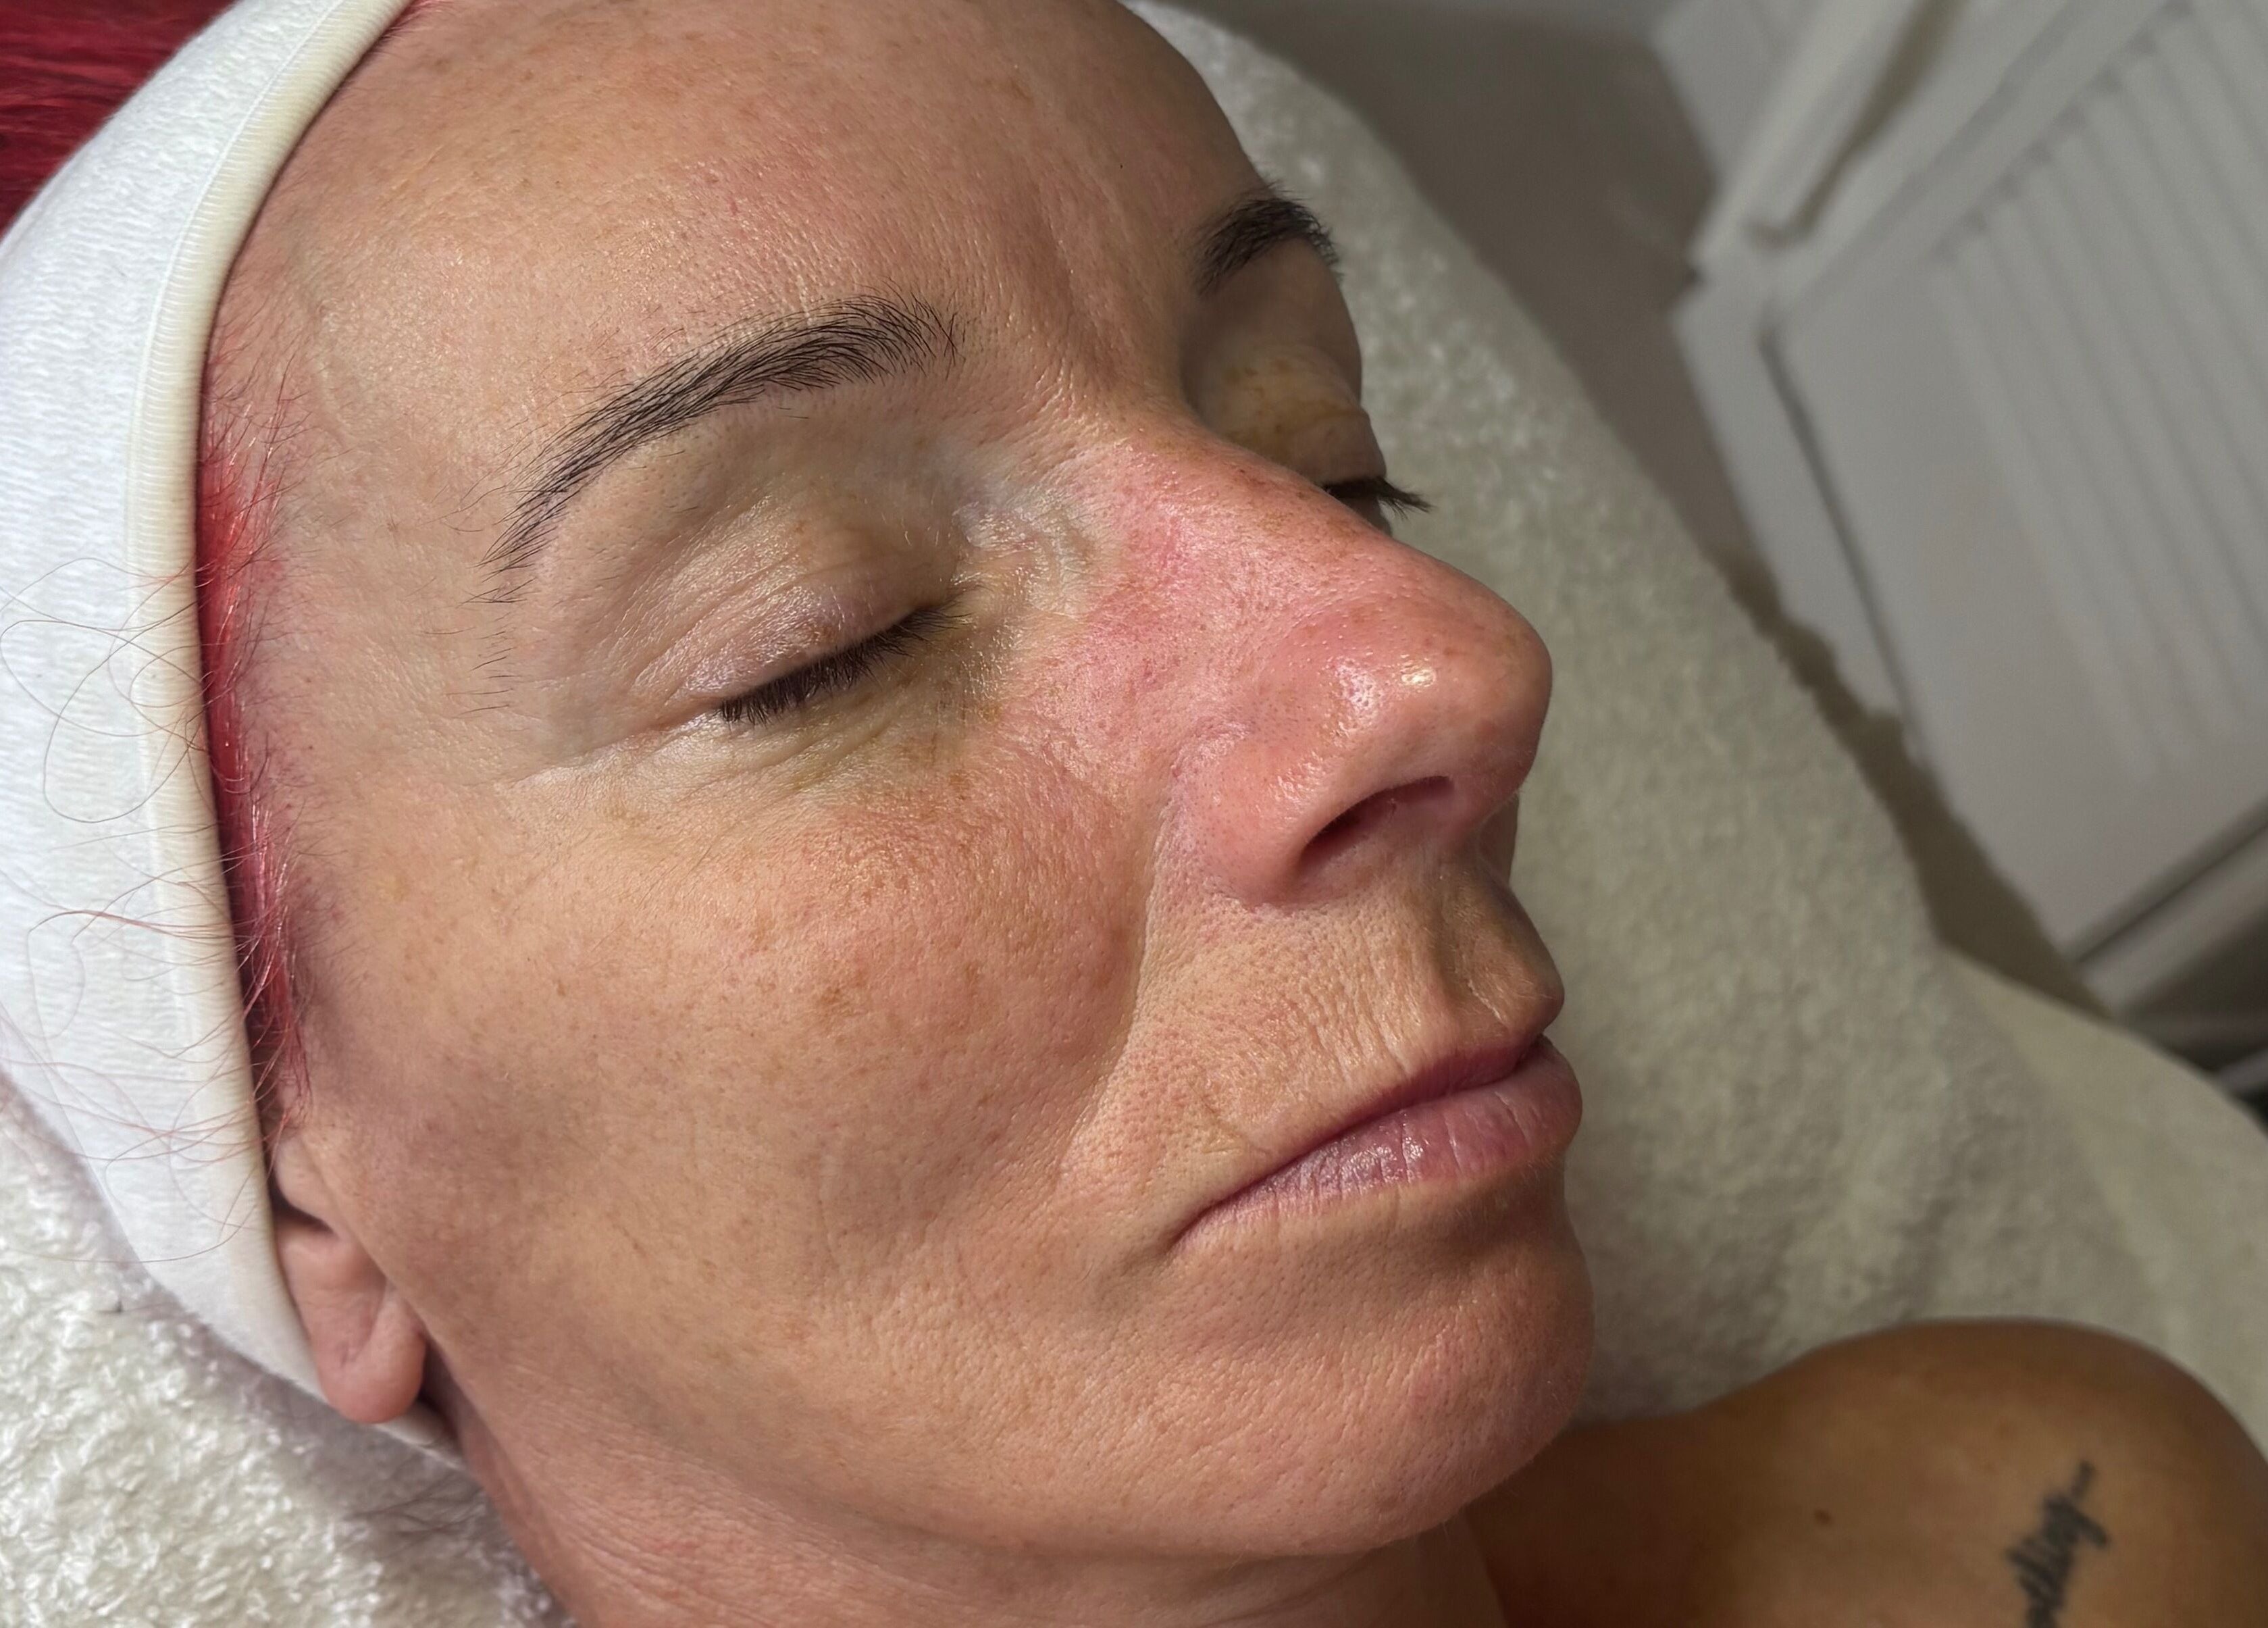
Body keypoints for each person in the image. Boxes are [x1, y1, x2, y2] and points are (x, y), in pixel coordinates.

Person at [1, 1, 2263, 1623]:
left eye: (1329, 456)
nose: (1443, 661)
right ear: (315, 1189)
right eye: (826, 636)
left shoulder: (2046, 1515)